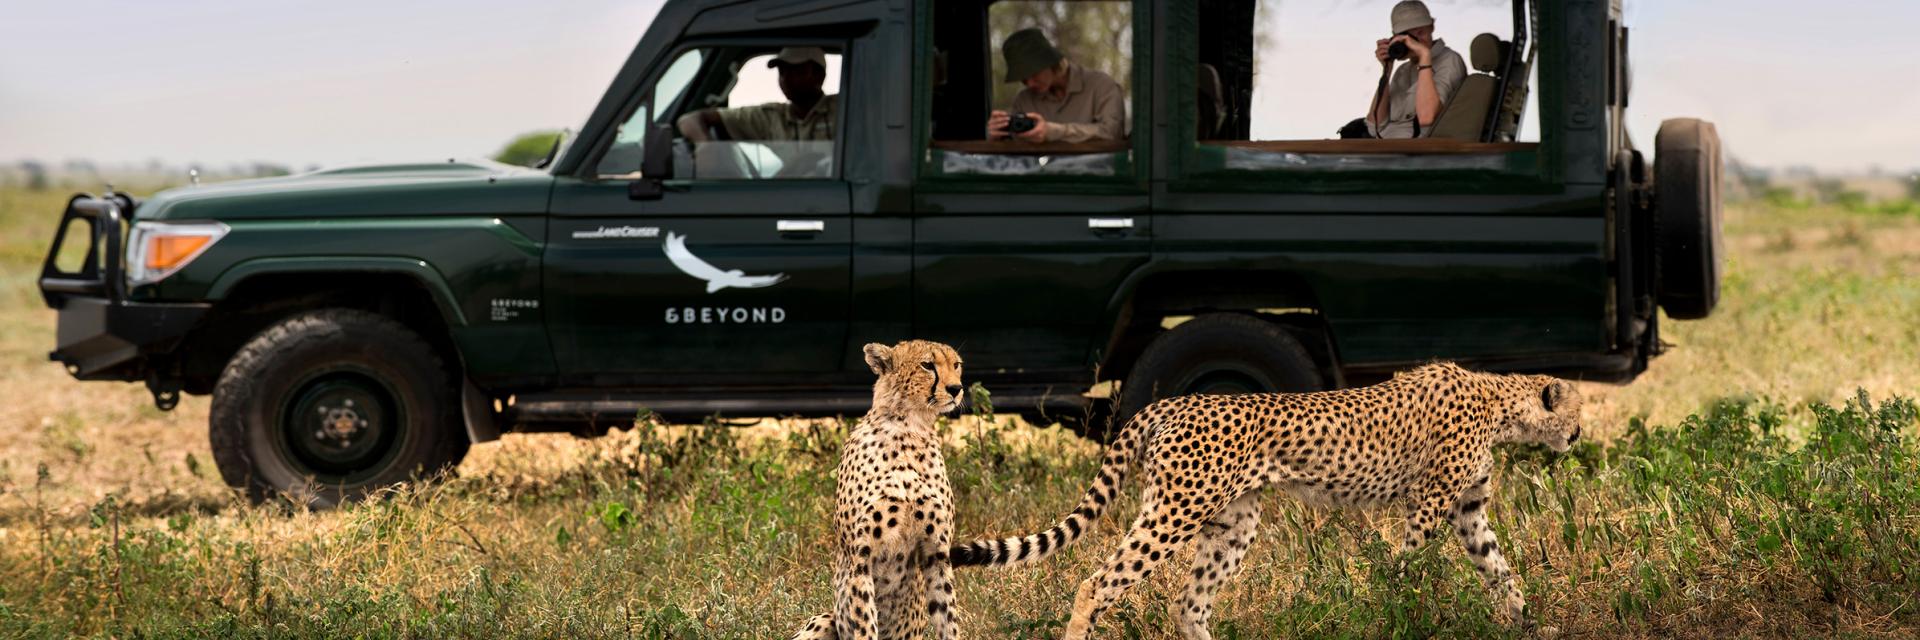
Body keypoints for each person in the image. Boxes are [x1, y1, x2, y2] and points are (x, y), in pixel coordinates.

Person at [986, 29, 1126, 143]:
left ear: (1051, 63)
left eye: (1033, 73)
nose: (1029, 83)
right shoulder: (1024, 100)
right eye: (1023, 79)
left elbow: (1112, 133)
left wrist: (1054, 131)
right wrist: (997, 136)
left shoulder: (1101, 86)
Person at [678, 47, 835, 143]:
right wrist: (705, 147)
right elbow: (689, 119)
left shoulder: (844, 109)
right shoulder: (772, 117)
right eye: (782, 72)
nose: (785, 79)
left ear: (819, 76)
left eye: (796, 71)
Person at [1365, 1, 1467, 139]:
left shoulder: (1449, 60)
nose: (1414, 41)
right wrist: (1387, 70)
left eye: (1420, 32)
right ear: (1395, 36)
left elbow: (1426, 119)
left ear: (1432, 26)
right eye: (1406, 35)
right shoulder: (1403, 71)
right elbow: (1375, 126)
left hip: (1419, 153)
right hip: (1387, 148)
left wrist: (1424, 56)